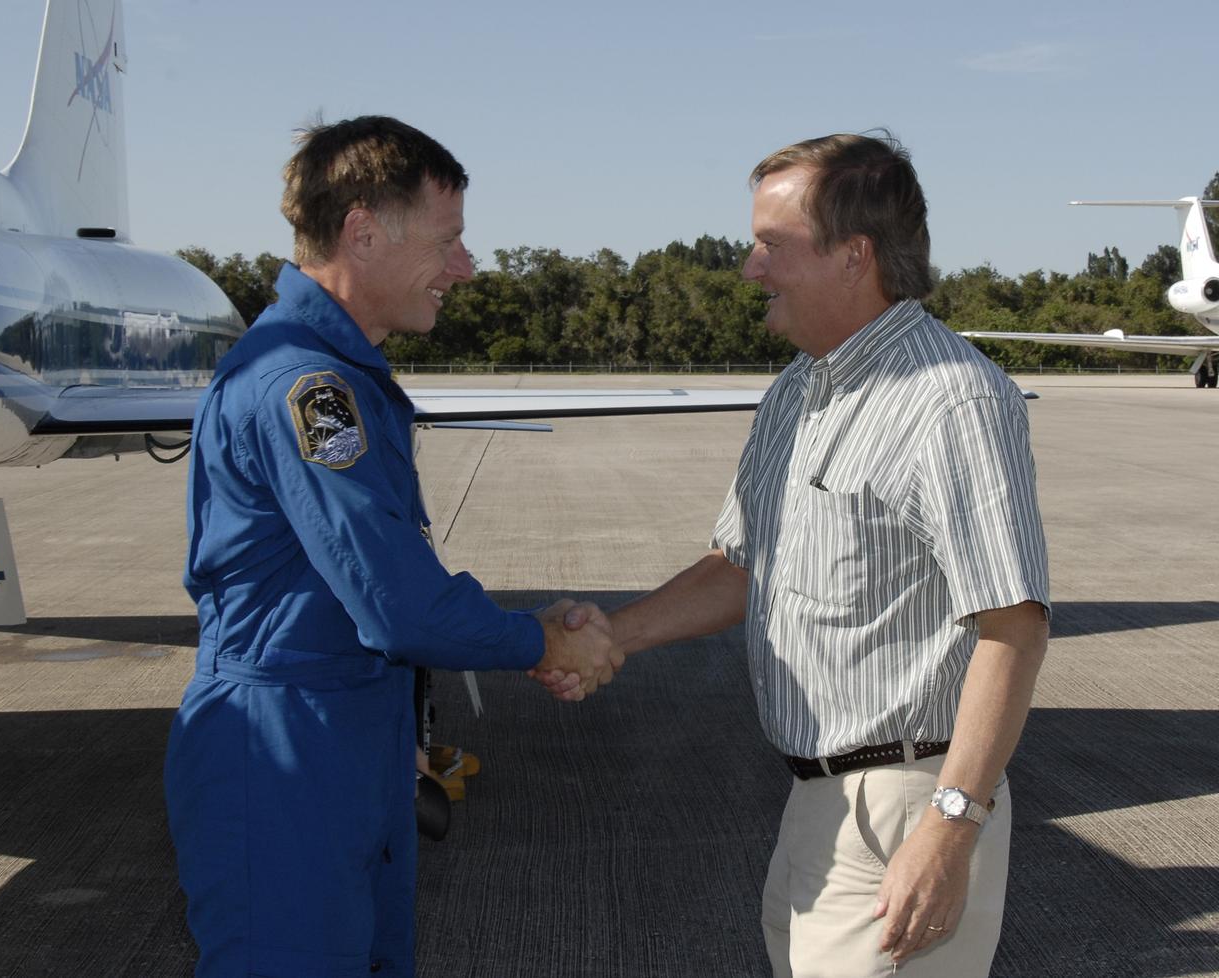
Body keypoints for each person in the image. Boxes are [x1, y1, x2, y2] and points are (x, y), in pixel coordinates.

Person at [551, 132, 1049, 976]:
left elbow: (1013, 626)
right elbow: (743, 566)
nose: (750, 268)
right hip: (816, 804)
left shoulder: (950, 401)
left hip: (906, 808)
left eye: (772, 245)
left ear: (855, 256)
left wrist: (950, 825)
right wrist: (612, 635)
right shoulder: (796, 390)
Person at [163, 115, 616, 978]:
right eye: (447, 241)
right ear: (363, 231)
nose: (465, 266)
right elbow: (398, 601)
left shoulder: (342, 375)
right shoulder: (307, 388)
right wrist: (540, 639)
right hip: (283, 755)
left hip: (349, 733)